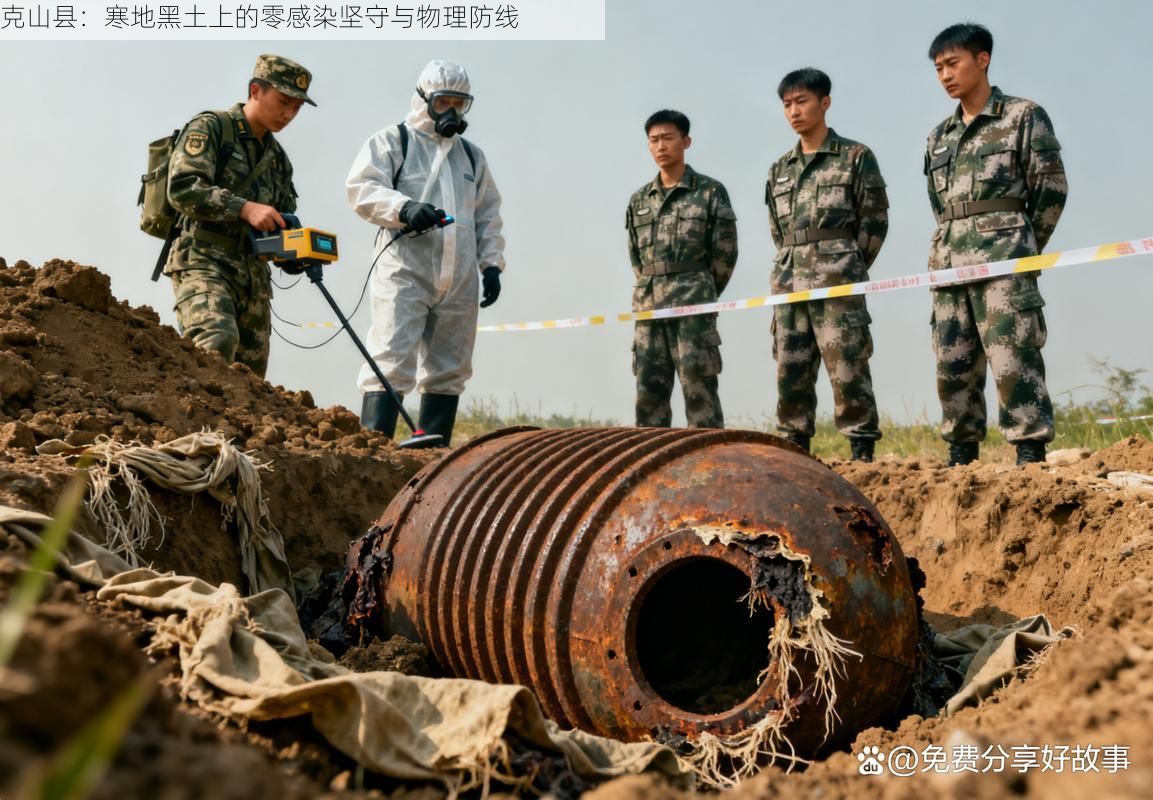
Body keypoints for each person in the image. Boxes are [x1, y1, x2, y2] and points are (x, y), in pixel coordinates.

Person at [924, 23, 1068, 466]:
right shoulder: (938, 136)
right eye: (938, 68)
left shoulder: (1022, 116)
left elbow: (1051, 189)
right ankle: (961, 452)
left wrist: (1021, 244)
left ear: (982, 59)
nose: (946, 75)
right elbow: (938, 202)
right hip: (949, 262)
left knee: (1012, 358)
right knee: (953, 362)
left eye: (953, 63)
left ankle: (1029, 449)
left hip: (1005, 260)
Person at [346, 59, 505, 445]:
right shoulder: (392, 141)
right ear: (423, 100)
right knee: (391, 357)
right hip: (405, 271)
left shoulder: (471, 157)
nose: (451, 112)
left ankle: (432, 455)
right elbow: (361, 189)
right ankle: (373, 452)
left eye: (459, 104)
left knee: (450, 367)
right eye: (443, 102)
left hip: (459, 277)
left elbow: (487, 214)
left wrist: (491, 265)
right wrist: (404, 208)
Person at [165, 54, 315, 378]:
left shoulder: (278, 160)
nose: (289, 114)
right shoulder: (212, 127)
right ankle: (196, 428)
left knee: (250, 378)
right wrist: (244, 208)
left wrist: (294, 252)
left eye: (297, 108)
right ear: (255, 91)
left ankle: (229, 432)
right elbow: (182, 188)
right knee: (215, 341)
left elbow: (279, 219)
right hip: (204, 260)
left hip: (253, 279)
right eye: (284, 101)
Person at [765, 68, 888, 461]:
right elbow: (777, 229)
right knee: (790, 372)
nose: (794, 111)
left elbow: (874, 221)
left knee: (848, 366)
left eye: (802, 101)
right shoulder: (779, 170)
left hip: (838, 282)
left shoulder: (855, 156)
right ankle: (794, 450)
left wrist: (847, 264)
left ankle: (862, 451)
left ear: (825, 103)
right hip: (789, 283)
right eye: (787, 104)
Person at [625, 110, 737, 429]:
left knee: (699, 391)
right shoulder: (639, 201)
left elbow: (725, 252)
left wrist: (702, 290)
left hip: (694, 307)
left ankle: (709, 462)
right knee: (649, 394)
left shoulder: (710, 192)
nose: (661, 146)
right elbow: (637, 258)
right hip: (649, 309)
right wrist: (652, 287)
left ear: (686, 141)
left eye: (668, 138)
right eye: (654, 140)